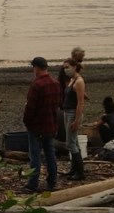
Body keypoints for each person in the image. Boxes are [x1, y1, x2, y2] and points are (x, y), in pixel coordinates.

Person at [22, 56, 63, 193]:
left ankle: (33, 184)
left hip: (37, 125)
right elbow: (58, 104)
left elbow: (31, 108)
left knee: (35, 155)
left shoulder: (36, 85)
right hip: (51, 123)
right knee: (50, 153)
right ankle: (52, 181)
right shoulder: (56, 83)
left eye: (34, 68)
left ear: (37, 68)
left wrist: (27, 122)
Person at [60, 58, 87, 180]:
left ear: (74, 67)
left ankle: (80, 172)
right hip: (67, 112)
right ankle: (74, 169)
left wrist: (76, 121)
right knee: (74, 141)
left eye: (67, 67)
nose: (65, 70)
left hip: (72, 113)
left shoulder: (79, 81)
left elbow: (80, 103)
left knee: (70, 143)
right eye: (64, 68)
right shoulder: (72, 80)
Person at [55, 47, 85, 143]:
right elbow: (67, 84)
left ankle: (71, 139)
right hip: (66, 94)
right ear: (74, 57)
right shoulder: (67, 67)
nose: (80, 62)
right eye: (79, 59)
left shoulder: (75, 68)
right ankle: (66, 138)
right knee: (68, 117)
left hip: (71, 93)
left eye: (81, 60)